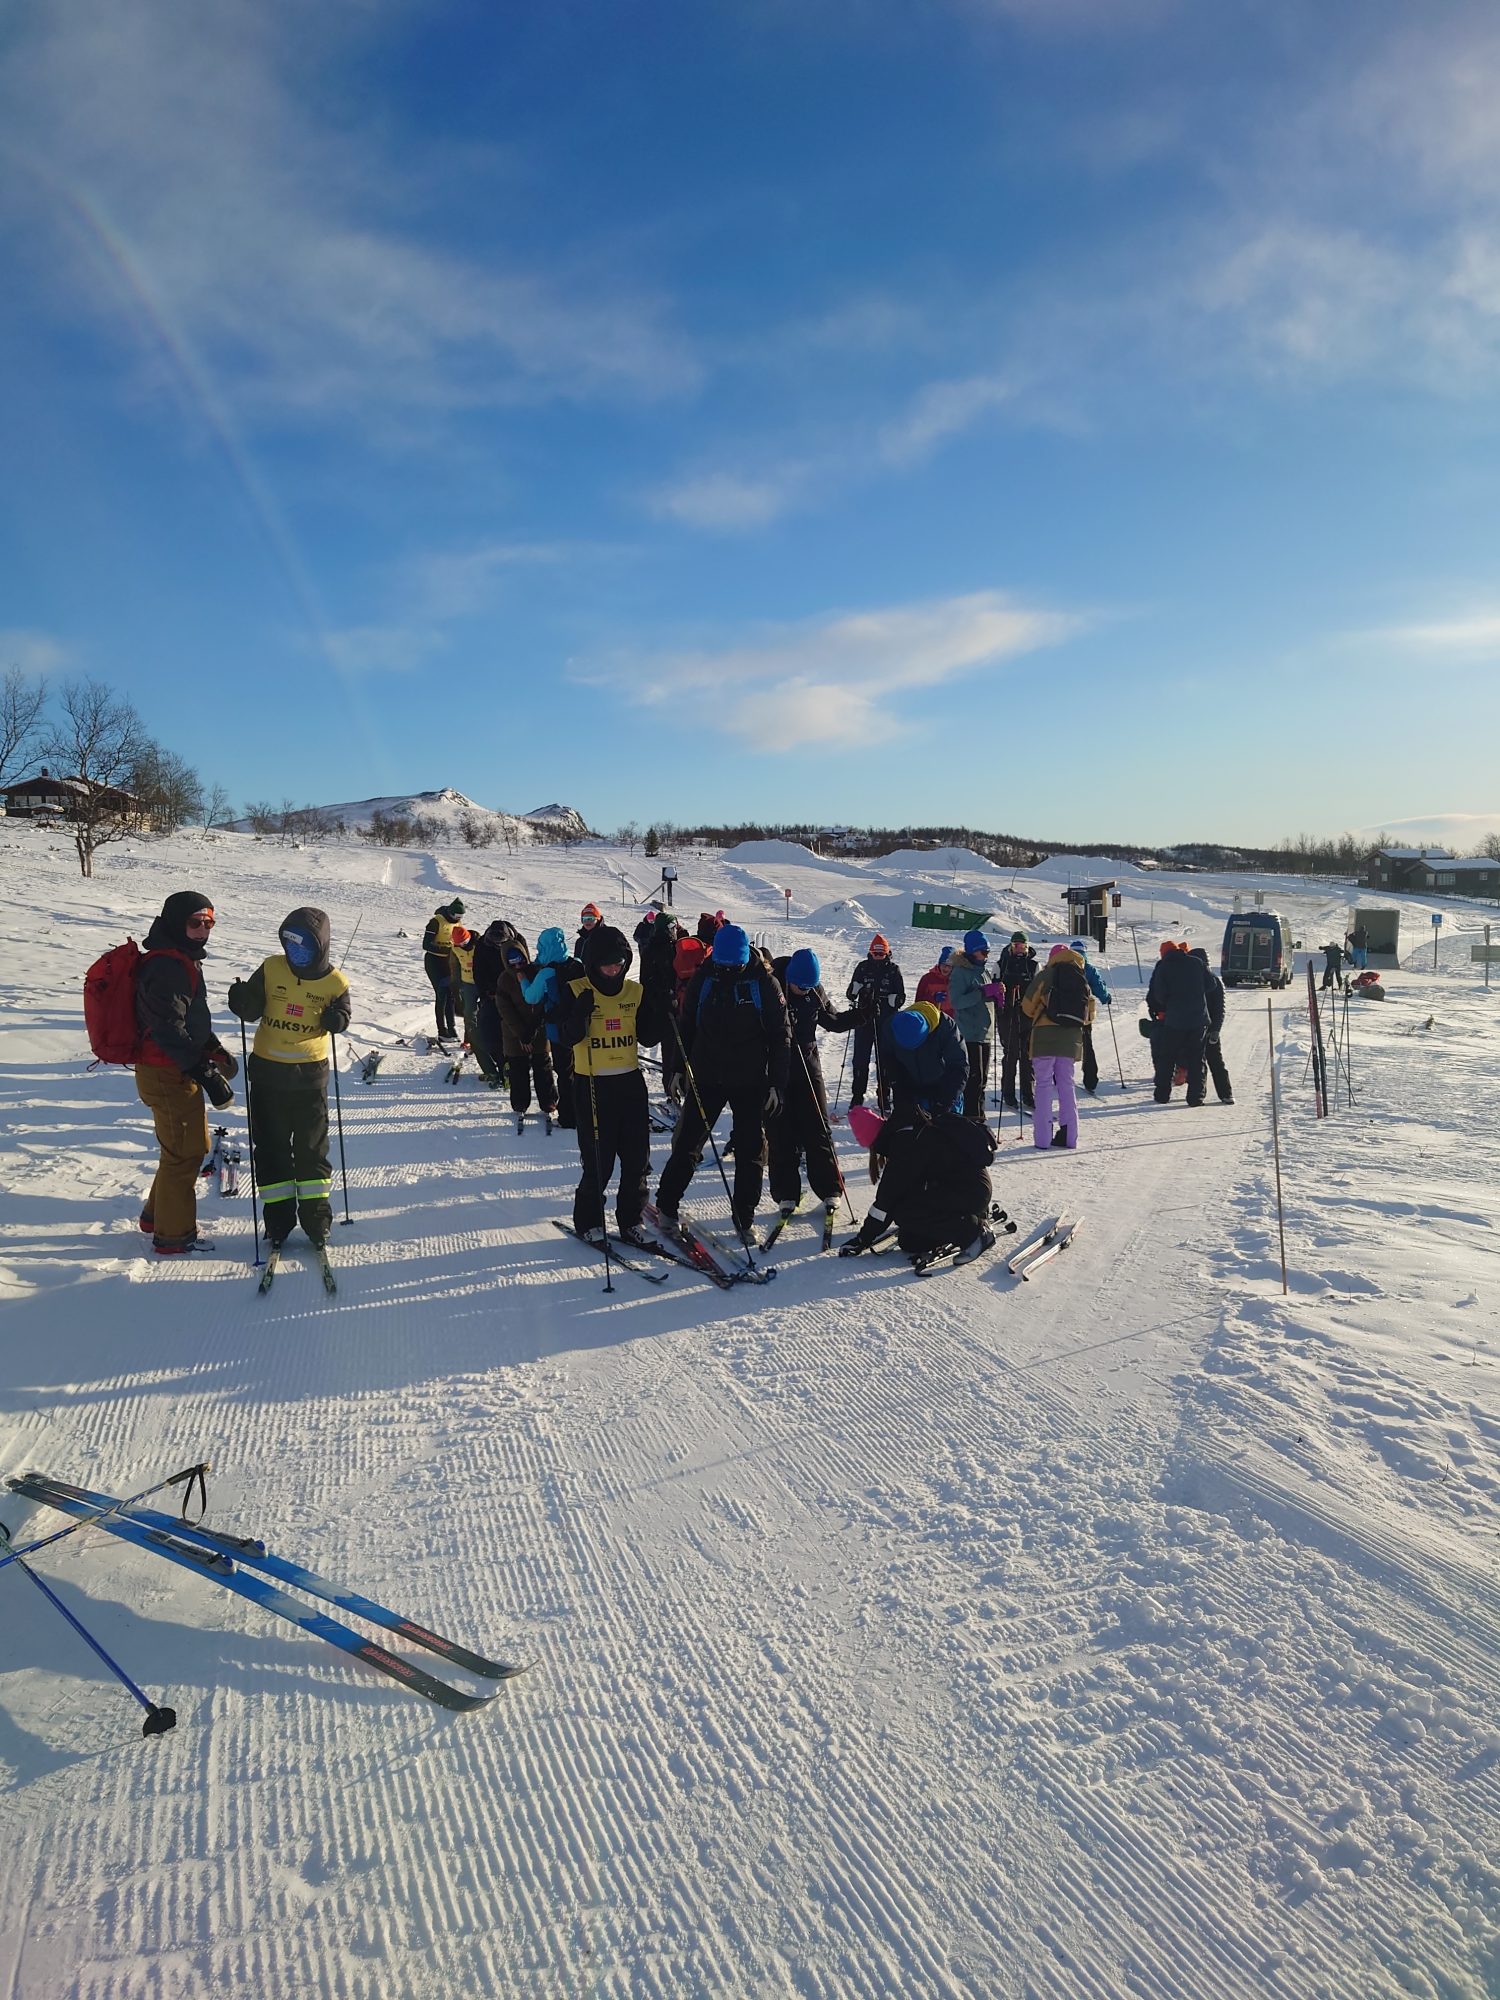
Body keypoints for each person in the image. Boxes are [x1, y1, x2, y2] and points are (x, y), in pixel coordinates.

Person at [656, 922, 790, 1239]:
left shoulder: (765, 984)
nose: (728, 970)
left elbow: (781, 1037)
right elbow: (687, 1025)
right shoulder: (706, 977)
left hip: (750, 1079)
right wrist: (676, 1069)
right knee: (688, 1144)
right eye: (724, 964)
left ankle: (744, 1218)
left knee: (751, 1150)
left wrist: (777, 1083)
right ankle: (666, 1206)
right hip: (707, 1075)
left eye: (734, 965)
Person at [227, 907, 350, 1250]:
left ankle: (316, 1221)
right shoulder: (271, 968)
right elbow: (252, 1009)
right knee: (271, 1151)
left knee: (311, 1151)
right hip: (267, 1075)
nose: (295, 952)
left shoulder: (336, 982)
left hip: (309, 1078)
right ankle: (278, 1222)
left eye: (303, 946)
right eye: (289, 944)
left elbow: (344, 1014)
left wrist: (337, 1019)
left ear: (320, 946)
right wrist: (241, 1000)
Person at [133, 891, 237, 1254]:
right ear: (178, 923)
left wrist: (212, 1048)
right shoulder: (166, 966)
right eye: (195, 922)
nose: (203, 930)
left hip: (173, 1070)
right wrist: (206, 1073)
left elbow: (188, 1019)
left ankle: (155, 1216)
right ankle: (174, 1236)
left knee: (182, 1148)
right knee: (187, 1152)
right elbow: (166, 1029)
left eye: (209, 922)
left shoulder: (182, 959)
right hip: (166, 1072)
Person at [562, 925, 663, 1242]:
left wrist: (660, 1008)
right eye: (607, 965)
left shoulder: (634, 992)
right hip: (591, 1084)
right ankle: (589, 1221)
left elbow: (647, 1036)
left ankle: (631, 1220)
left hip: (629, 1084)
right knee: (598, 1163)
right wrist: (579, 1015)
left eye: (619, 964)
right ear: (593, 963)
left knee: (637, 1160)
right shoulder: (576, 989)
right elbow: (566, 1037)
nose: (613, 970)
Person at [840, 1103, 998, 1263]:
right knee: (910, 1241)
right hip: (971, 1188)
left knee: (904, 1212)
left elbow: (886, 1201)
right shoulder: (908, 1132)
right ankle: (965, 1220)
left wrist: (862, 1239)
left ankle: (974, 1232)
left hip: (971, 1192)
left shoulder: (906, 1145)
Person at [767, 947, 857, 1219]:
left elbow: (832, 1020)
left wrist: (861, 1015)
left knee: (818, 1127)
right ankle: (786, 1194)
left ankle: (831, 1188)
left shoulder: (814, 990)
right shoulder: (773, 985)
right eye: (799, 986)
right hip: (777, 1069)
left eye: (809, 986)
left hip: (808, 1065)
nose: (804, 991)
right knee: (780, 1131)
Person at [1022, 943, 1095, 1149]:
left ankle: (1043, 1140)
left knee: (1043, 1085)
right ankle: (1070, 1137)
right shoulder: (1082, 979)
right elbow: (1089, 1016)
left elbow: (1027, 1007)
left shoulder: (1047, 975)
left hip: (1044, 1038)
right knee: (1066, 1085)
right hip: (1070, 1040)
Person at [521, 928, 585, 1129]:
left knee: (565, 1074)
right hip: (582, 1026)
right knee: (583, 1071)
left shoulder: (548, 972)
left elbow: (532, 997)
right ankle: (587, 1111)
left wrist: (523, 981)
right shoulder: (578, 964)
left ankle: (569, 1117)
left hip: (559, 1030)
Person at [496, 935, 558, 1122]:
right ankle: (520, 1104)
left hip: (537, 1029)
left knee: (543, 1066)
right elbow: (505, 1010)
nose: (517, 966)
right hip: (514, 1033)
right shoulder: (504, 980)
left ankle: (549, 1101)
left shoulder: (537, 972)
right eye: (512, 962)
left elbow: (542, 1003)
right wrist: (522, 1035)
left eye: (520, 960)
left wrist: (532, 1031)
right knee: (518, 1069)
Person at [1145, 941, 1211, 1106]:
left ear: (1163, 953)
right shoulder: (1196, 962)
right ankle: (1195, 1097)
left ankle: (1162, 1095)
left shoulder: (1164, 967)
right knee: (1196, 1059)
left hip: (1174, 1020)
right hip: (1197, 1019)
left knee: (1167, 1058)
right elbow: (1211, 985)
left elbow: (1159, 995)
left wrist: (1171, 1004)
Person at [845, 935, 905, 1111]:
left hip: (885, 1021)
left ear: (887, 953)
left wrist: (894, 1000)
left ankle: (884, 1097)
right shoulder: (863, 968)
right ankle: (857, 1097)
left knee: (885, 1060)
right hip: (864, 1020)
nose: (879, 956)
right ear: (870, 952)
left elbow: (901, 996)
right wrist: (855, 990)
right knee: (860, 1060)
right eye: (875, 953)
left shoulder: (894, 970)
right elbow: (850, 994)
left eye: (882, 954)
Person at [947, 930, 1000, 1121]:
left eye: (987, 952)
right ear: (973, 951)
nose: (986, 956)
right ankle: (971, 1117)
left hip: (984, 1031)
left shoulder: (983, 971)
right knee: (973, 1079)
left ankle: (979, 1116)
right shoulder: (961, 972)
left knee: (982, 1079)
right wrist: (982, 993)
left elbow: (984, 996)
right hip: (969, 1032)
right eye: (983, 952)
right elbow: (956, 1002)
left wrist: (996, 996)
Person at [885, 1002, 968, 1119]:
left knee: (945, 1133)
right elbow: (891, 1061)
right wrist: (900, 1091)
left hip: (945, 1090)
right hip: (912, 1091)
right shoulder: (892, 1026)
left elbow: (959, 1066)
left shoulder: (946, 1027)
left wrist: (945, 1102)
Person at [447, 925, 502, 1084]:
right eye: (459, 944)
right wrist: (455, 986)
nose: (462, 946)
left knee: (489, 1017)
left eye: (464, 943)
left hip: (482, 984)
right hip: (468, 984)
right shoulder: (455, 949)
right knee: (469, 1014)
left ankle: (487, 1046)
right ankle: (470, 1039)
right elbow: (454, 967)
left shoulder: (481, 944)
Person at [473, 918, 524, 1085]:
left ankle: (517, 1066)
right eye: (494, 944)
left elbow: (524, 968)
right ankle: (500, 1065)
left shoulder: (518, 941)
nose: (497, 947)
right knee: (489, 1032)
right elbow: (478, 971)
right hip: (491, 994)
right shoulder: (483, 944)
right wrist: (486, 993)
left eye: (500, 944)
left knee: (515, 1029)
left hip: (514, 993)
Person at [995, 932, 1038, 1110]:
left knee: (1028, 1055)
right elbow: (994, 988)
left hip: (1028, 1015)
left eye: (1022, 946)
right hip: (1007, 1016)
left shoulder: (1033, 965)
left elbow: (1039, 990)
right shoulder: (1001, 964)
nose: (1019, 950)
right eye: (1016, 946)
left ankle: (1028, 1094)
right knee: (1011, 1054)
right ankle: (1008, 1093)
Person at [1188, 948, 1233, 1103]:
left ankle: (1225, 1093)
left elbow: (1219, 1008)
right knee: (1200, 1062)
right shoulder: (1190, 981)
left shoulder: (1213, 981)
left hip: (1205, 1028)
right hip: (1196, 1027)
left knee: (1211, 1061)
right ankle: (1201, 1095)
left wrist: (1215, 1029)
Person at [1069, 938, 1113, 1094]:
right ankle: (1090, 1080)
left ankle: (1060, 1076)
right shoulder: (1089, 968)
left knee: (1066, 1046)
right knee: (1087, 1045)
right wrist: (1106, 997)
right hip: (1084, 1015)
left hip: (1065, 1015)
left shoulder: (1064, 968)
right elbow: (1099, 986)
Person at [420, 899, 464, 1040]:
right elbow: (426, 944)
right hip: (434, 962)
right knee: (441, 995)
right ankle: (442, 1030)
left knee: (450, 995)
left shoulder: (457, 922)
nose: (458, 919)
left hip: (448, 962)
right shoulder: (436, 922)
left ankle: (452, 1028)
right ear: (450, 912)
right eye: (456, 916)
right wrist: (445, 950)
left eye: (460, 917)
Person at [914, 946, 955, 1017]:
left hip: (952, 1020)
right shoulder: (927, 979)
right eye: (944, 965)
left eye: (949, 966)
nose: (946, 968)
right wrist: (933, 998)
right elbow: (918, 1002)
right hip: (931, 1018)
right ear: (939, 964)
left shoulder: (956, 980)